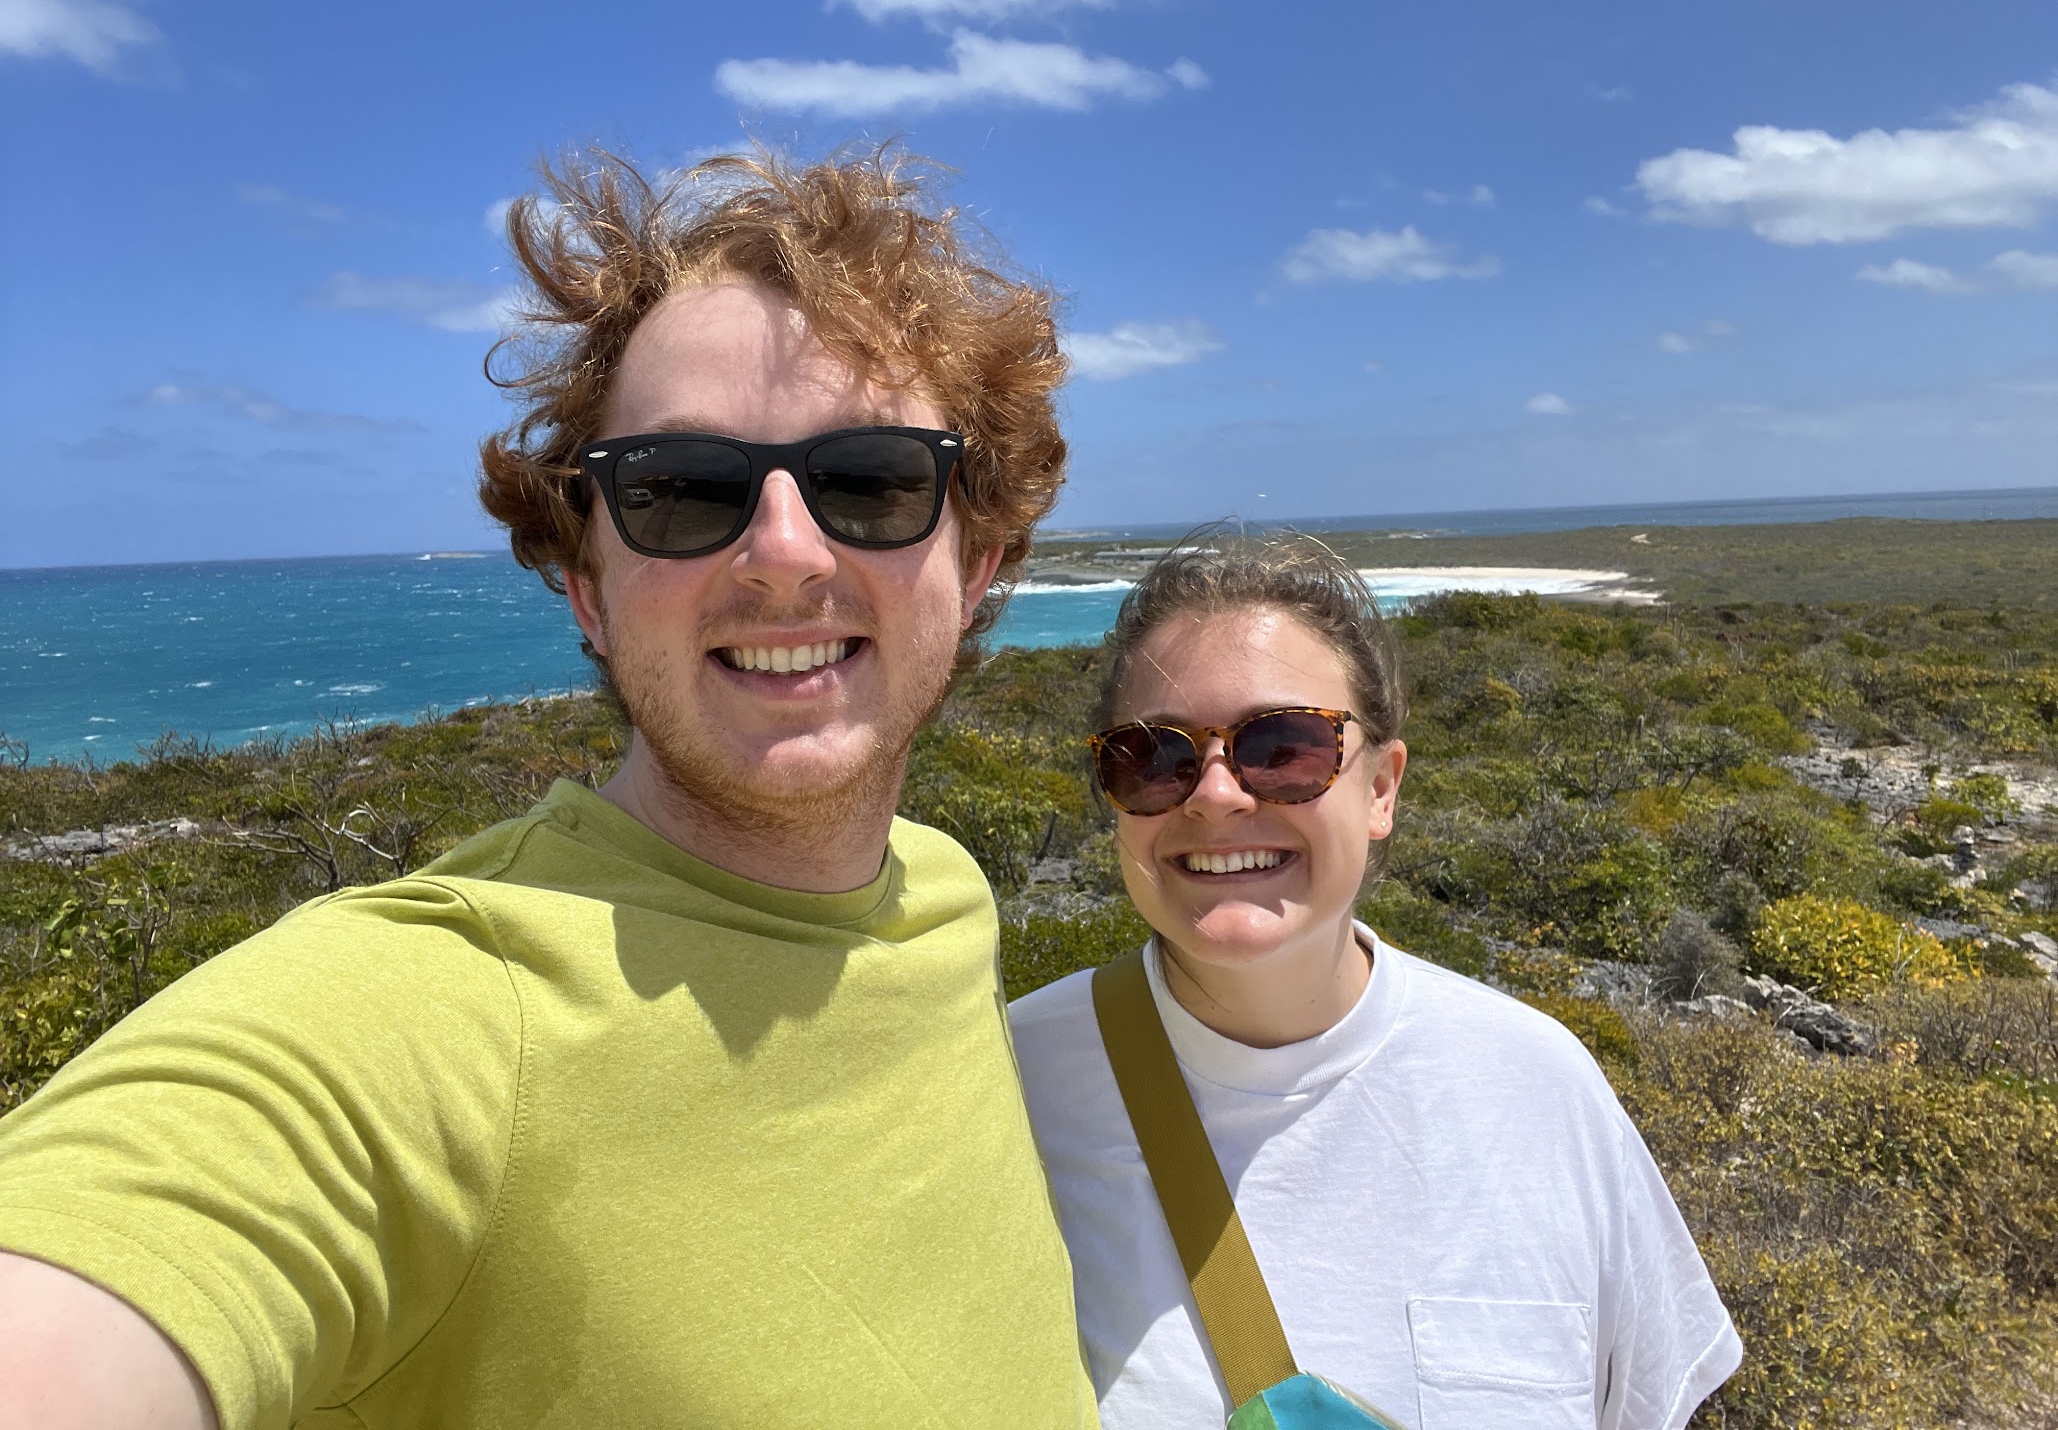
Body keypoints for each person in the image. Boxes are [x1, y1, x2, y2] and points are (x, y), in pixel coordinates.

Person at [0, 151, 1100, 1428]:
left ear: (979, 564)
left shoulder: (944, 892)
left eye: (873, 479)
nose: (785, 552)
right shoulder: (431, 1017)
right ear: (586, 589)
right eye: (680, 489)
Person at [1009, 535, 1741, 1429]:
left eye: (1284, 747)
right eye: (1155, 758)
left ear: (1381, 789)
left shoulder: (1541, 1091)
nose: (1215, 794)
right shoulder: (1010, 1093)